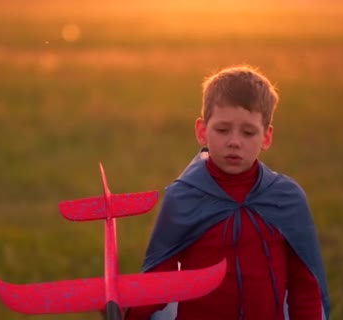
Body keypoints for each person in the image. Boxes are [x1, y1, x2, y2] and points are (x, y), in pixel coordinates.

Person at [124, 65, 330, 320]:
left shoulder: (286, 199)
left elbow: (304, 287)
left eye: (248, 132)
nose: (234, 141)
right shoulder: (184, 197)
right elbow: (160, 281)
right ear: (202, 131)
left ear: (267, 137)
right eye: (222, 130)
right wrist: (125, 310)